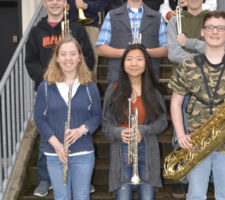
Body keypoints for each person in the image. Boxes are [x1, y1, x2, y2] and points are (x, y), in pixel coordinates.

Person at [168, 10, 225, 199]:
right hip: (196, 142)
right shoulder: (187, 65)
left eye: (220, 27)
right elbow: (176, 102)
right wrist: (180, 135)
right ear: (202, 32)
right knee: (195, 195)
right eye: (210, 27)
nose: (215, 31)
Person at [25, 0, 94, 196]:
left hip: (75, 87)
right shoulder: (37, 31)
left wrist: (75, 75)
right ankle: (45, 178)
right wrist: (49, 78)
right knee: (48, 133)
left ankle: (81, 176)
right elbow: (30, 60)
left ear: (66, 3)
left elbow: (88, 55)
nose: (55, 2)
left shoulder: (76, 29)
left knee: (76, 127)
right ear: (44, 3)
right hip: (49, 88)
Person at [34, 36, 102, 199]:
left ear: (79, 57)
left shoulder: (89, 86)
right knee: (61, 196)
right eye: (63, 54)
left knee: (82, 196)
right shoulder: (45, 86)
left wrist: (83, 129)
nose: (68, 58)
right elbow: (39, 119)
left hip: (83, 152)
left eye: (72, 54)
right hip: (55, 153)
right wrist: (56, 144)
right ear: (57, 58)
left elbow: (96, 116)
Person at [102, 44, 168, 200]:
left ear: (146, 63)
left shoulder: (153, 90)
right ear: (123, 64)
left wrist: (143, 130)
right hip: (121, 148)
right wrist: (119, 132)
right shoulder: (114, 89)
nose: (134, 64)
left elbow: (163, 122)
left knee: (147, 196)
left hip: (147, 146)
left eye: (139, 59)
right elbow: (105, 124)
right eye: (129, 59)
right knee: (123, 196)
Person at [167, 0, 209, 197]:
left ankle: (205, 176)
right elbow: (174, 54)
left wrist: (191, 44)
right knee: (181, 134)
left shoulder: (211, 19)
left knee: (208, 132)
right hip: (183, 83)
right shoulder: (175, 21)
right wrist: (205, 55)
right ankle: (182, 177)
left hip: (209, 85)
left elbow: (221, 48)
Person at [96, 0, 168, 83]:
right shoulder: (111, 16)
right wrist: (127, 53)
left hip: (149, 81)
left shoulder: (157, 17)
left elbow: (167, 49)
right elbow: (100, 49)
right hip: (118, 79)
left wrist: (145, 53)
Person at [67, 0, 108, 81]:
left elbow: (103, 3)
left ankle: (91, 91)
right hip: (70, 25)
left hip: (90, 26)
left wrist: (87, 5)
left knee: (91, 62)